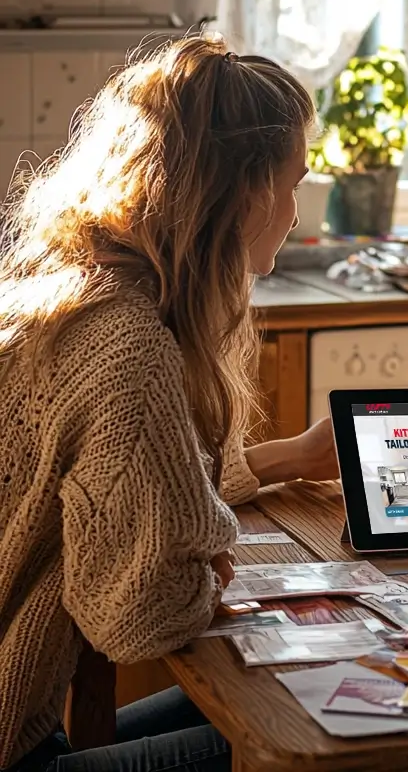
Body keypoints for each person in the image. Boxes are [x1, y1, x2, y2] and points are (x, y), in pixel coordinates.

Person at [0, 39, 340, 772]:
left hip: (21, 720)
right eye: (292, 184)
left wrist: (280, 461)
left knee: (307, 684)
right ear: (244, 192)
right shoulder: (129, 347)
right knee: (325, 744)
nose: (293, 211)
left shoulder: (74, 296)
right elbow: (141, 619)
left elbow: (116, 490)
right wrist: (205, 563)